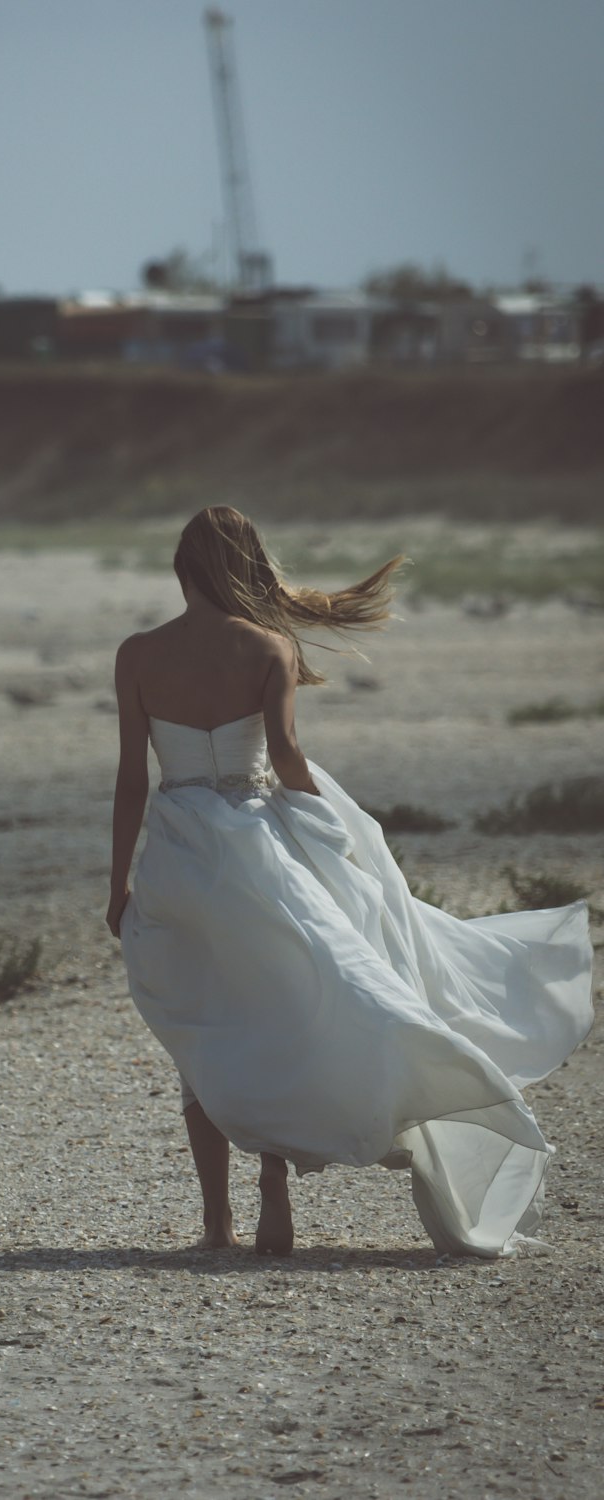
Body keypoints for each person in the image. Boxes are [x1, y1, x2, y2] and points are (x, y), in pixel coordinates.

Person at [107, 506, 593, 1259]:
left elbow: (129, 782)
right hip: (254, 846)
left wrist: (116, 885)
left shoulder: (138, 652)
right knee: (270, 1013)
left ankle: (215, 1223)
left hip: (177, 851)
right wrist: (335, 833)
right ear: (247, 568)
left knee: (199, 1027)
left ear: (183, 569)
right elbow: (288, 758)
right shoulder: (268, 646)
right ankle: (273, 1187)